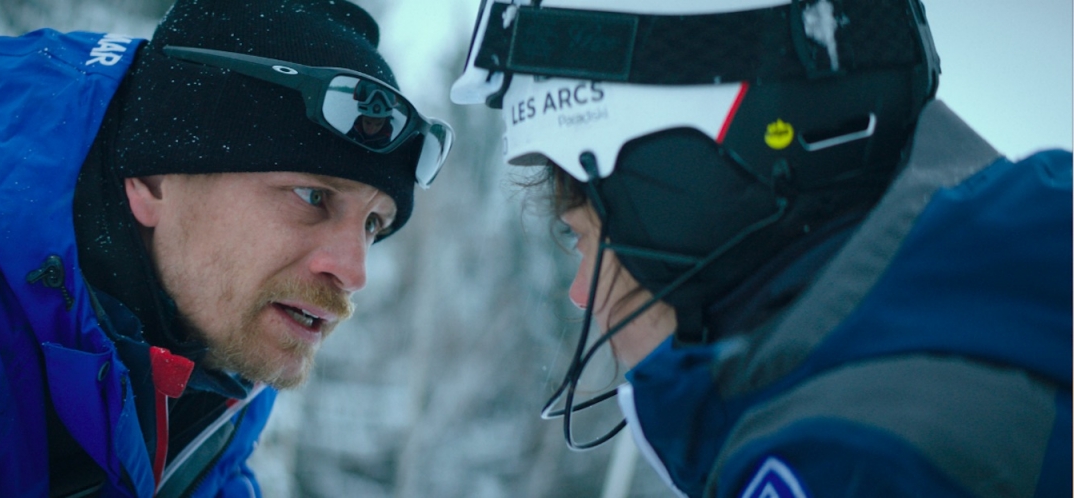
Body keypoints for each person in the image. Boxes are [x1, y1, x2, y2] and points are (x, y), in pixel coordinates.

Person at [451, 0, 1070, 496]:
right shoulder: (1014, 303)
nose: (581, 293)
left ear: (688, 191)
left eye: (585, 236)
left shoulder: (848, 459)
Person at [0, 0, 452, 496]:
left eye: (374, 224)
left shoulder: (215, 366)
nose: (353, 271)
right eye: (312, 195)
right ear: (152, 182)